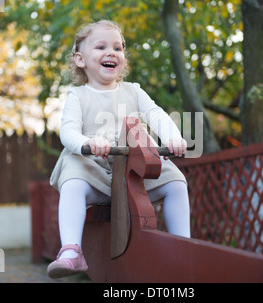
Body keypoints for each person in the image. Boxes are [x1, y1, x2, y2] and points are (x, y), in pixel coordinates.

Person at [47, 20, 190, 279]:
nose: (111, 52)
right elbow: (67, 131)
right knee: (72, 176)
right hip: (95, 170)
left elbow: (156, 115)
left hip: (133, 172)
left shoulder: (133, 91)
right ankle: (71, 250)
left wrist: (173, 137)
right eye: (101, 47)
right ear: (80, 59)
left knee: (175, 182)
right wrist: (87, 144)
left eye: (118, 47)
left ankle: (185, 248)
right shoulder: (77, 96)